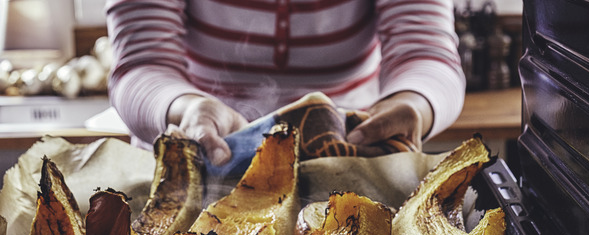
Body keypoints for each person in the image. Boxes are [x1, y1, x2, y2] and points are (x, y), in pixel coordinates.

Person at [105, 0, 465, 166]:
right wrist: (187, 108)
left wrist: (416, 102)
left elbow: (426, 54)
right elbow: (142, 65)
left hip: (347, 166)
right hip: (200, 159)